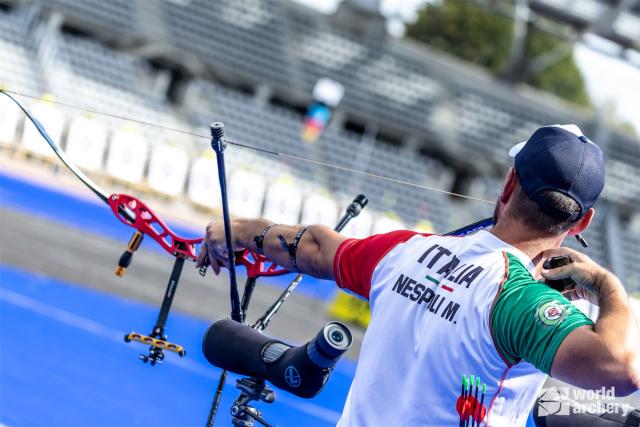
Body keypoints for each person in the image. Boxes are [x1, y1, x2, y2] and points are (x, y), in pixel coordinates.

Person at [196, 125, 640, 426]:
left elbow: (312, 247)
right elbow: (620, 371)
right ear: (582, 223)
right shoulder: (521, 299)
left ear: (508, 187)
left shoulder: (407, 250)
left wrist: (232, 229)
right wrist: (607, 286)